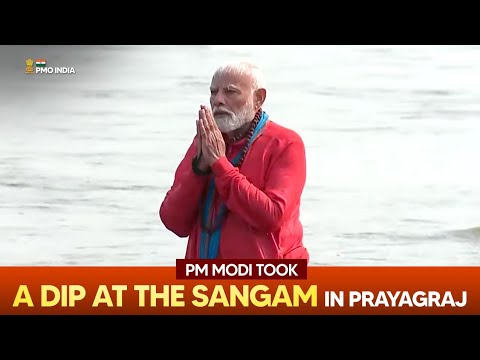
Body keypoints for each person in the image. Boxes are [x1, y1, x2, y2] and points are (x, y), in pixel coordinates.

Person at [159, 61, 309, 261]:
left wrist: (221, 165)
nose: (218, 100)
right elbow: (173, 222)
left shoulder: (285, 143)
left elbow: (272, 216)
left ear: (258, 98)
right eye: (213, 92)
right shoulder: (205, 141)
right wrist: (200, 169)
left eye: (230, 92)